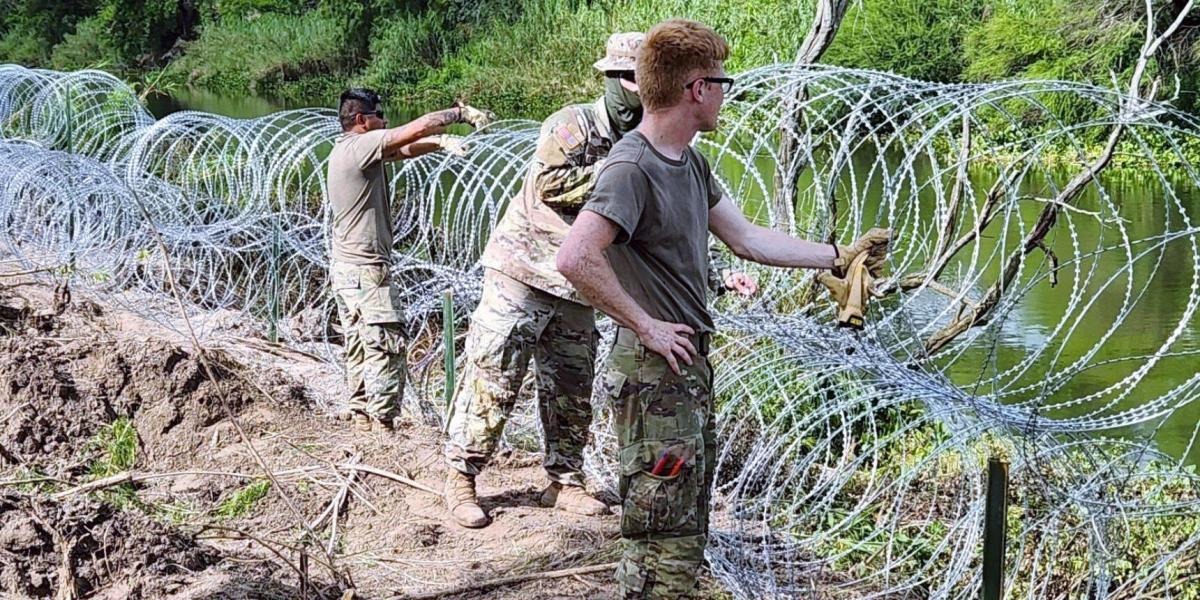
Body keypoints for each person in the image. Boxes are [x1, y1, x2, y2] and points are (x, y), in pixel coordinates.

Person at [556, 20, 891, 598]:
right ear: (696, 89)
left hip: (685, 368)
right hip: (653, 371)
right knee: (660, 536)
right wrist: (644, 323)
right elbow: (575, 257)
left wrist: (839, 255)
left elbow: (748, 239)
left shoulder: (690, 162)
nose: (725, 92)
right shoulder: (631, 167)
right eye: (721, 80)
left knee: (685, 525)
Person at [327, 88, 492, 432]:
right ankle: (383, 425)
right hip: (367, 269)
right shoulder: (360, 146)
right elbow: (410, 132)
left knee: (359, 344)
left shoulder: (348, 150)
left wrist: (441, 143)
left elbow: (402, 150)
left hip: (347, 268)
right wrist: (459, 115)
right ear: (361, 120)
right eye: (378, 116)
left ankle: (360, 415)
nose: (384, 120)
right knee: (386, 345)